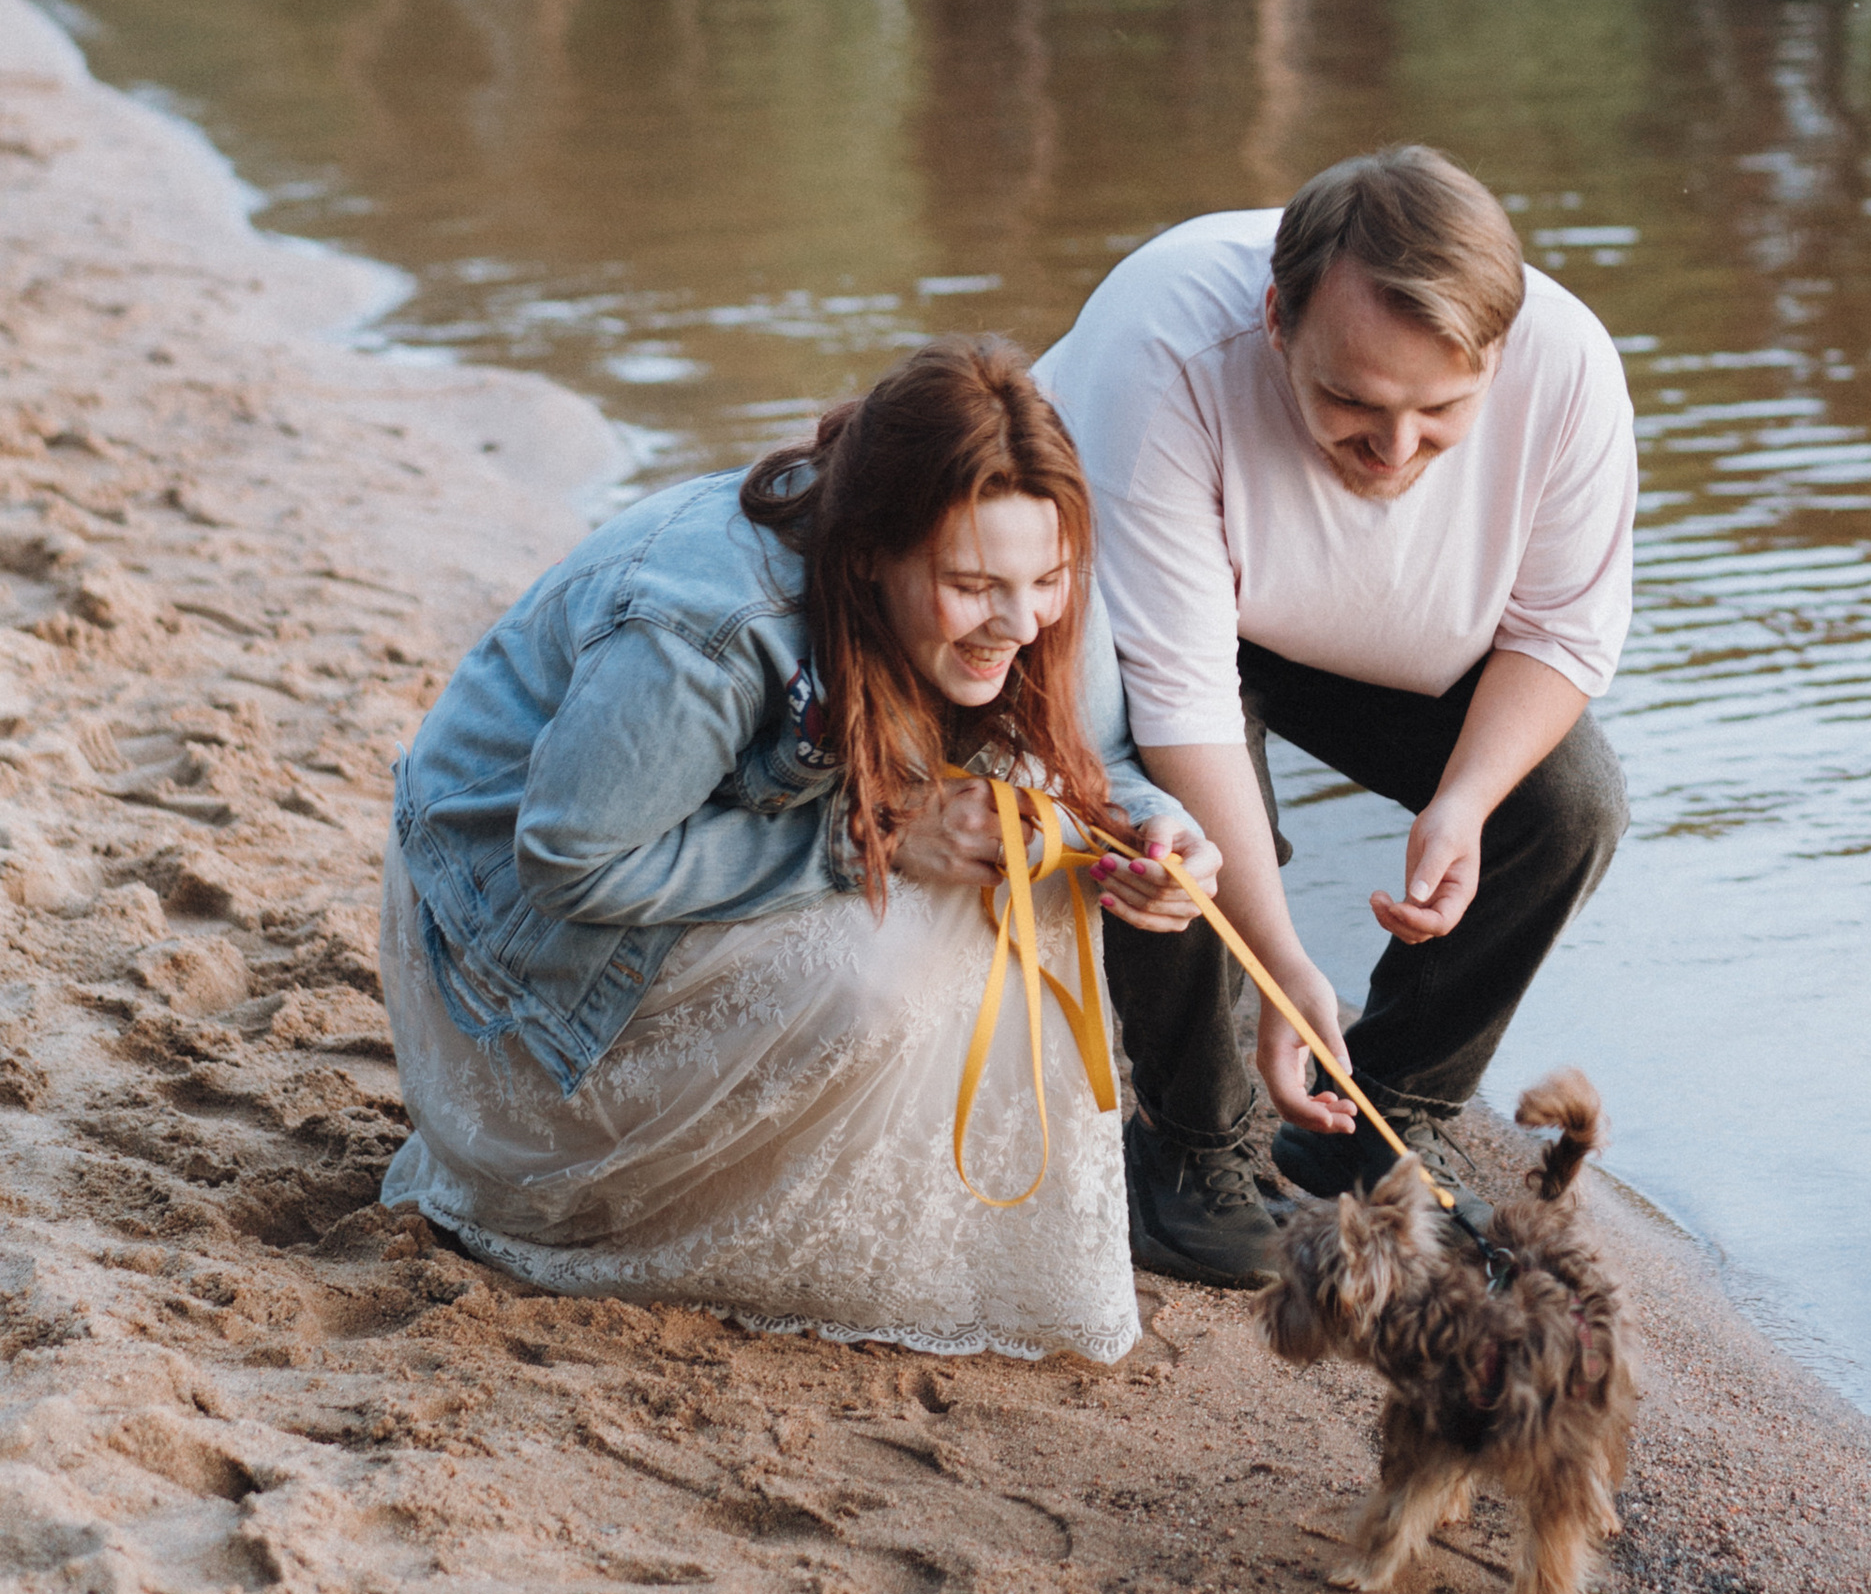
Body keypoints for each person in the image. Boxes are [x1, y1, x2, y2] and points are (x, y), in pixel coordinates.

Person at [379, 338, 1215, 1364]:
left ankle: (881, 1207)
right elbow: (568, 864)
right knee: (887, 966)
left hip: (619, 892)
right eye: (972, 585)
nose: (1020, 621)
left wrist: (1150, 832)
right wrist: (878, 839)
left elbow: (1093, 764)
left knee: (1033, 860)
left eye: (1047, 579)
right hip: (509, 960)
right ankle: (645, 1216)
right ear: (868, 551)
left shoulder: (1024, 580)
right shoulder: (707, 628)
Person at [1037, 145, 1637, 1289]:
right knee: (1179, 833)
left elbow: (1561, 634)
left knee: (1567, 805)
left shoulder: (1568, 371)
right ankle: (1189, 1154)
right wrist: (1283, 964)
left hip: (1375, 636)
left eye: (1440, 411)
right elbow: (1181, 700)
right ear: (1276, 320)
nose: (1394, 451)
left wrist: (1462, 804)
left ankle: (1366, 1125)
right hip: (1140, 613)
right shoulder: (1162, 339)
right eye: (1350, 402)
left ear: (1496, 358)